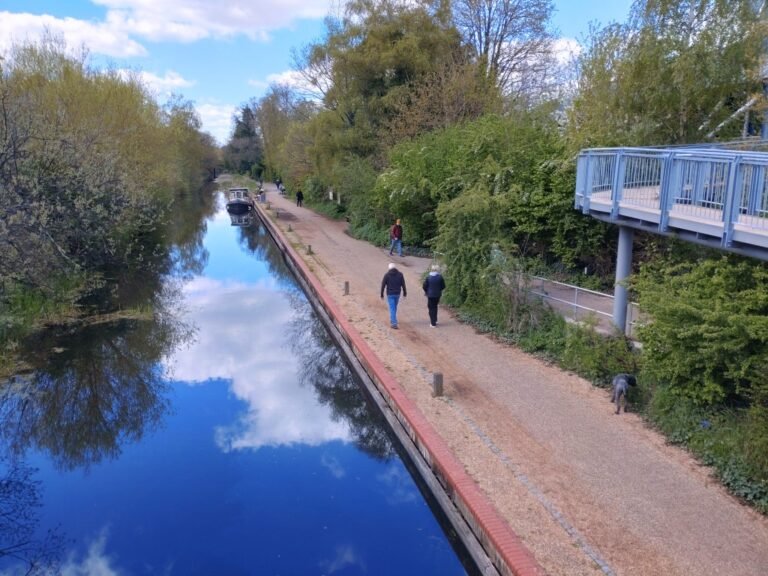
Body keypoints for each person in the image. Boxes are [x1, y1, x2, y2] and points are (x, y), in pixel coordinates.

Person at [380, 262, 407, 329]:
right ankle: (393, 319)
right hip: (397, 293)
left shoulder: (387, 275)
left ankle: (394, 323)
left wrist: (382, 294)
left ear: (389, 268)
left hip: (390, 294)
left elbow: (383, 285)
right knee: (394, 307)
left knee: (392, 308)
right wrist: (404, 293)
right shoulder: (400, 274)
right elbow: (403, 284)